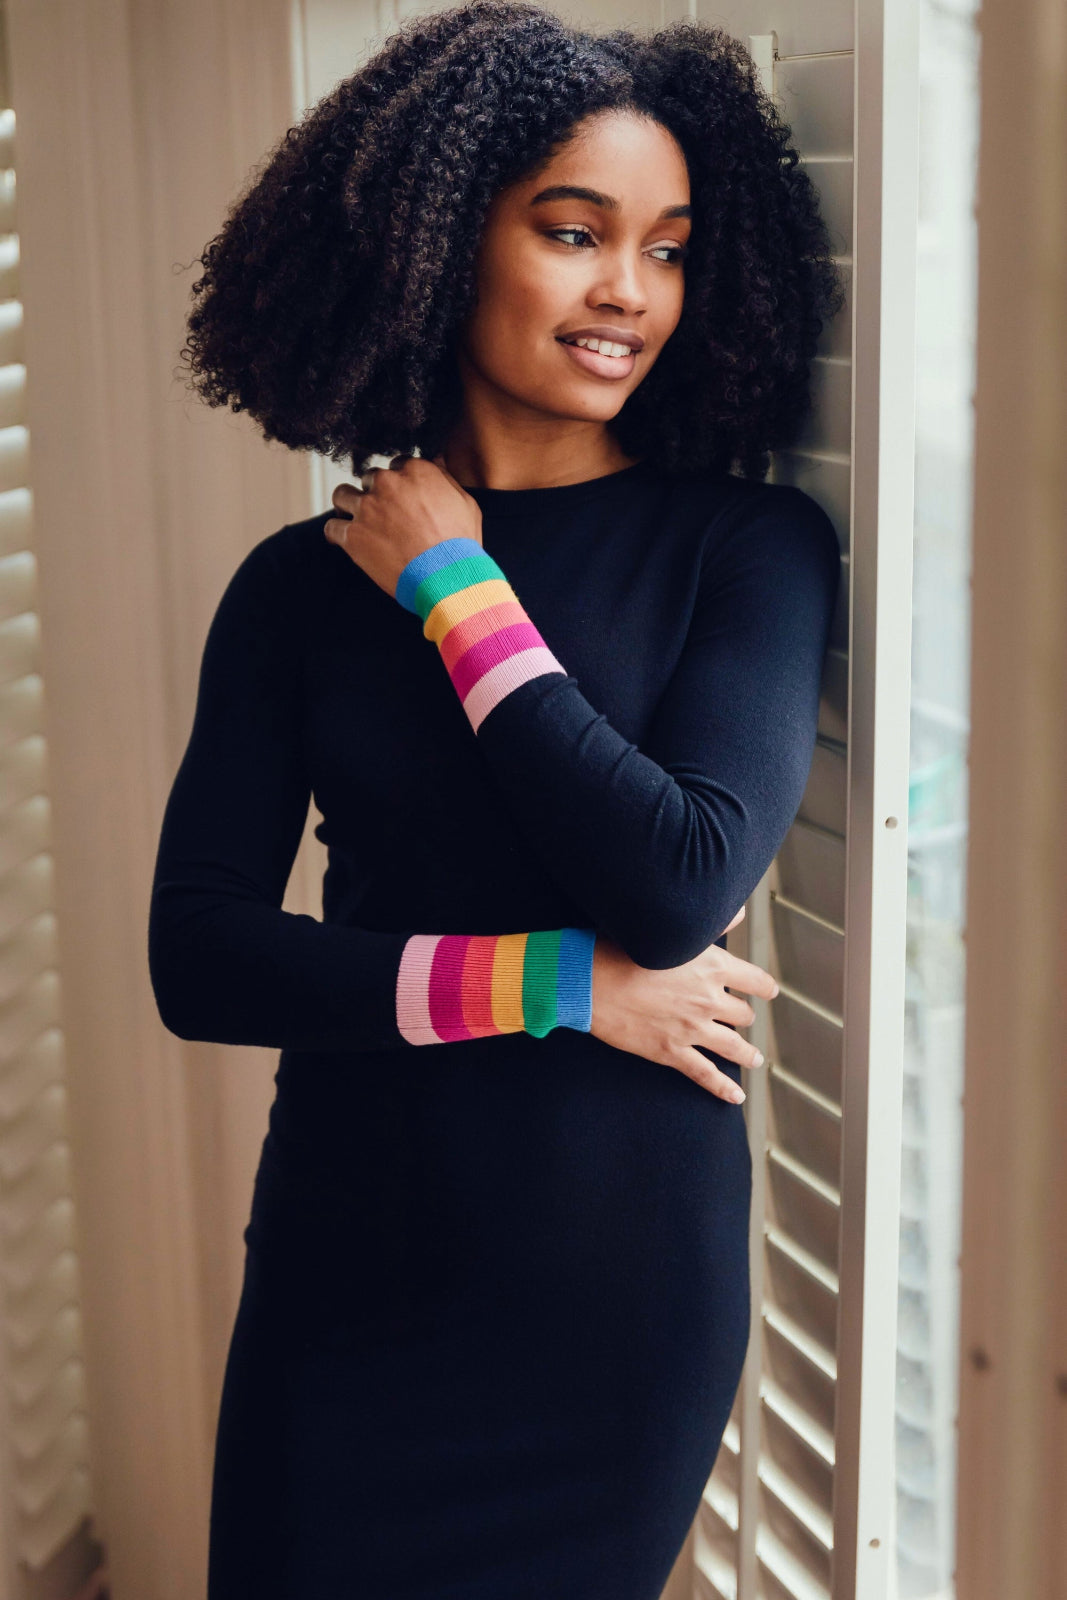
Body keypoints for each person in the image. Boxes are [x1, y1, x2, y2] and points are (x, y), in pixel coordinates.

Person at [148, 3, 844, 1595]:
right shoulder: (295, 592)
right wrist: (559, 986)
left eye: (667, 248)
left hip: (609, 1301)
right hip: (350, 1263)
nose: (628, 292)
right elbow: (200, 958)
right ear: (440, 241)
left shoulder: (745, 552)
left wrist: (460, 592)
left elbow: (677, 879)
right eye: (575, 232)